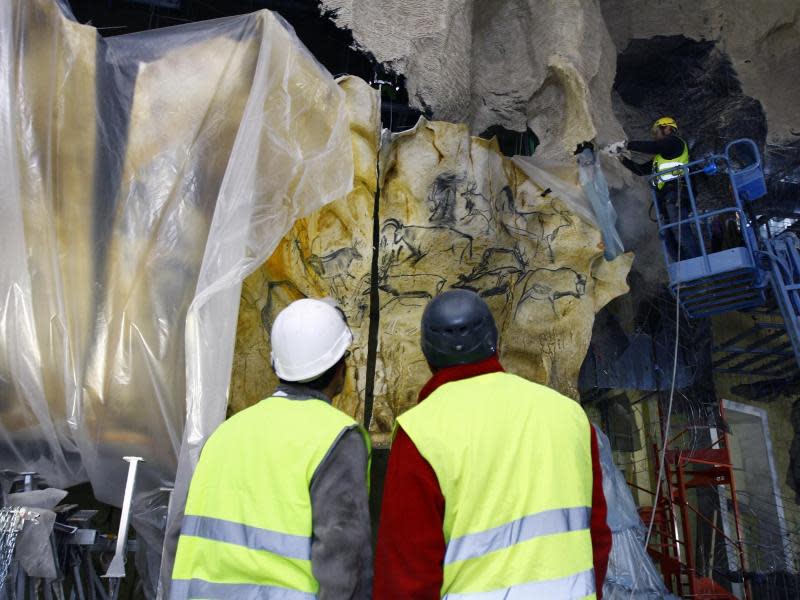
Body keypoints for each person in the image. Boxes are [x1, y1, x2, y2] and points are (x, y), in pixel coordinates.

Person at [374, 290, 612, 599]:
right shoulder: (568, 416)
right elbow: (599, 540)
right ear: (495, 343)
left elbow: (407, 576)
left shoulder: (420, 433)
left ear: (427, 353)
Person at [171, 298, 372, 600]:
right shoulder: (335, 437)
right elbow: (344, 554)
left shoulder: (225, 434)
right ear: (339, 368)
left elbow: (179, 535)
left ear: (276, 364)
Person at [609, 116, 700, 260]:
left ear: (668, 129)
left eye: (657, 131)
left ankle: (696, 261)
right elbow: (641, 170)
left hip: (677, 192)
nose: (655, 135)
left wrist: (626, 145)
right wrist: (621, 158)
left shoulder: (675, 142)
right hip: (665, 197)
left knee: (680, 229)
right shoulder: (661, 157)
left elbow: (654, 147)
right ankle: (681, 263)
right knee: (667, 233)